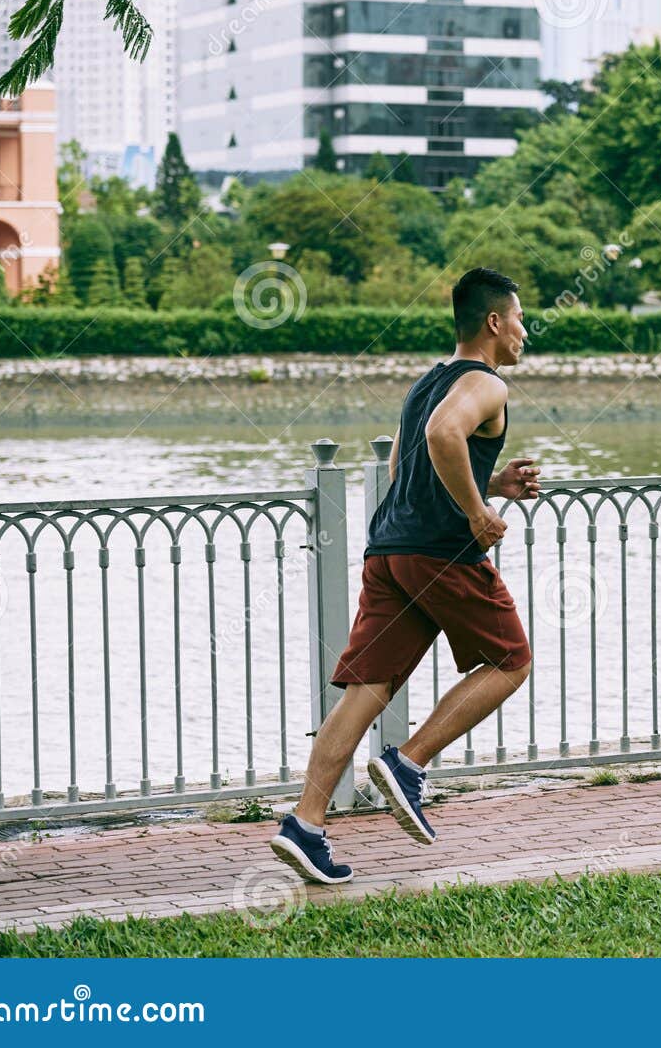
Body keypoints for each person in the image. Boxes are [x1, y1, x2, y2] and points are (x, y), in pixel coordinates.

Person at [270, 268, 541, 884]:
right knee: (511, 661)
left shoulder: (427, 383)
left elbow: (404, 464)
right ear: (495, 323)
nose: (525, 332)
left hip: (389, 548)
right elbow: (443, 435)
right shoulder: (486, 385)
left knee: (367, 688)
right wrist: (479, 513)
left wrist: (493, 481)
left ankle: (305, 825)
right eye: (520, 319)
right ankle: (409, 763)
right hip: (442, 554)